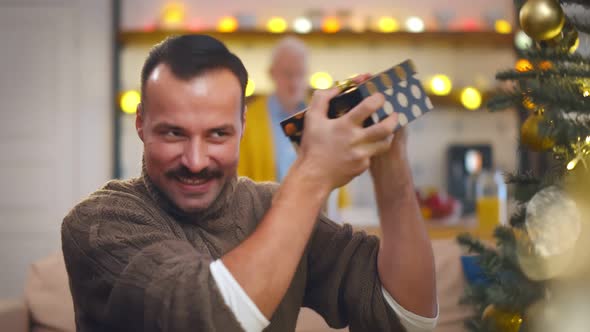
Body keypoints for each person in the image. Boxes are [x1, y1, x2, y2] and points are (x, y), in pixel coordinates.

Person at [61, 34, 438, 332]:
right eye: (174, 133)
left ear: (242, 125)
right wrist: (313, 175)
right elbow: (207, 318)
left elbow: (406, 318)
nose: (195, 160)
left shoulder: (271, 207)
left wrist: (393, 172)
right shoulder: (98, 222)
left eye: (218, 135)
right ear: (141, 123)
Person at [237, 36, 350, 217]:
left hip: (315, 220)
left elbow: (336, 180)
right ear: (272, 73)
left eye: (300, 74)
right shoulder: (248, 119)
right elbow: (237, 182)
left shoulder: (321, 116)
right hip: (262, 221)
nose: (295, 82)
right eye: (288, 74)